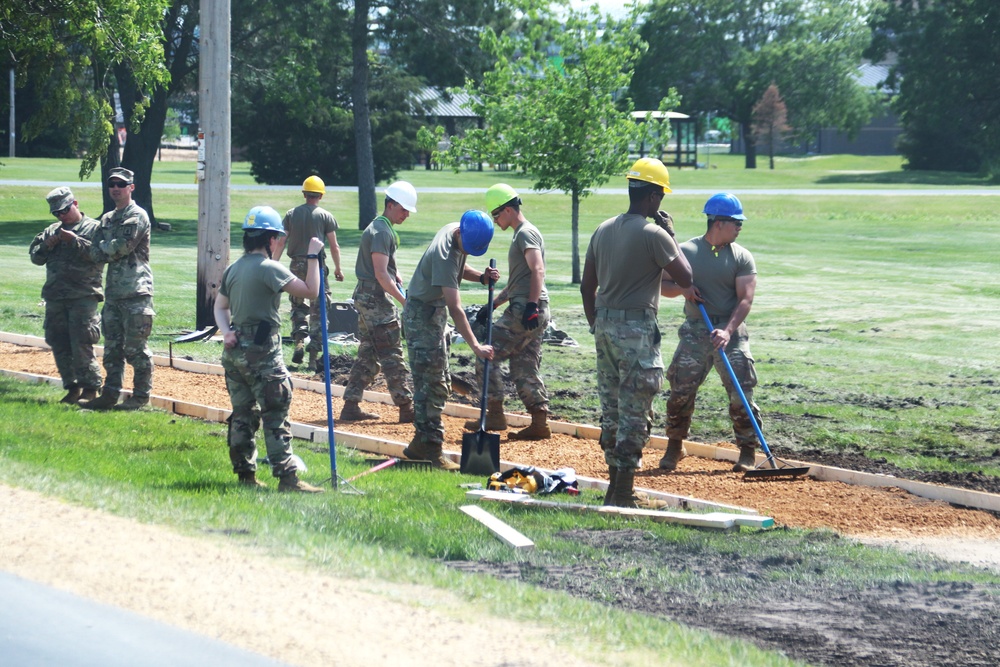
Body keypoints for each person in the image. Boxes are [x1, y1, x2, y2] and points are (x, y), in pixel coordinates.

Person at [580, 157, 693, 507]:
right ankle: (625, 494)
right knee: (635, 409)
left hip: (604, 325)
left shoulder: (603, 229)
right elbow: (687, 277)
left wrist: (595, 323)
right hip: (637, 331)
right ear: (654, 198)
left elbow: (587, 287)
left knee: (612, 409)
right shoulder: (654, 234)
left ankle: (615, 488)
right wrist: (671, 235)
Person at [213, 205, 326, 492]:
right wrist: (312, 256)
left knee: (242, 415)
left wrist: (226, 332)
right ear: (271, 239)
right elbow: (310, 291)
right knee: (275, 415)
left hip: (235, 350)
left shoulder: (234, 268)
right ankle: (288, 479)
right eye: (278, 237)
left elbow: (220, 306)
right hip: (263, 352)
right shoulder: (269, 269)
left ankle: (245, 475)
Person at [660, 193, 760, 473]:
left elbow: (745, 300)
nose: (740, 227)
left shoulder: (741, 256)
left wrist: (728, 331)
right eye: (736, 222)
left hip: (731, 333)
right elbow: (663, 285)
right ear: (718, 222)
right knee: (680, 391)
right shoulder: (686, 252)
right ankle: (675, 446)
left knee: (742, 395)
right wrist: (682, 289)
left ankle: (747, 452)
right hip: (695, 332)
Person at [400, 210, 498, 470]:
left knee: (435, 381)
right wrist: (475, 346)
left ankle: (420, 443)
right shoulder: (444, 255)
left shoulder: (457, 229)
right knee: (432, 384)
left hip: (432, 312)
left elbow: (459, 264)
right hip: (422, 316)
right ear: (460, 235)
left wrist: (481, 277)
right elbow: (456, 308)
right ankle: (431, 450)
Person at [463, 183, 551, 440]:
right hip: (532, 307)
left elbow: (537, 270)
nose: (495, 220)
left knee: (485, 353)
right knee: (524, 366)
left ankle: (496, 414)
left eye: (496, 214)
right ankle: (539, 422)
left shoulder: (525, 233)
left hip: (527, 309)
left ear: (509, 210)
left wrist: (531, 306)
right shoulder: (523, 233)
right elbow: (519, 281)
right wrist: (495, 304)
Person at [77, 167, 155, 411]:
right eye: (112, 184)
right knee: (112, 349)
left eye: (121, 184)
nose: (115, 189)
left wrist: (104, 246)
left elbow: (123, 246)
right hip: (113, 294)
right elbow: (94, 252)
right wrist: (105, 247)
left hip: (136, 293)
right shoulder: (108, 218)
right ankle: (110, 394)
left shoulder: (137, 216)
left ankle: (141, 397)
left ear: (131, 187)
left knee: (136, 349)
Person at [339, 181, 417, 423]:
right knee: (392, 352)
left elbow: (386, 269)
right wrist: (404, 300)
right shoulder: (382, 232)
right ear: (391, 205)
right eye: (403, 209)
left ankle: (351, 405)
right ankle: (406, 406)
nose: (406, 215)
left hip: (367, 297)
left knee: (369, 353)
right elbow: (381, 274)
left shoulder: (380, 227)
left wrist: (396, 275)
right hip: (376, 299)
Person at [29, 187, 105, 404]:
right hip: (55, 296)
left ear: (76, 204)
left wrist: (74, 241)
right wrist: (46, 246)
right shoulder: (51, 230)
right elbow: (36, 258)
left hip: (83, 295)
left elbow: (100, 255)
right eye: (57, 213)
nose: (62, 216)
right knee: (58, 340)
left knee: (81, 341)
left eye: (64, 210)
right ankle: (72, 386)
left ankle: (90, 388)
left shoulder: (94, 228)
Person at [274, 175, 343, 372]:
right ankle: (313, 358)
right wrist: (338, 268)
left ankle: (299, 340)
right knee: (319, 308)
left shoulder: (291, 214)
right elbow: (334, 246)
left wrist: (272, 265)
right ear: (321, 195)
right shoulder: (326, 216)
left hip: (296, 265)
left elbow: (281, 242)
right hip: (317, 266)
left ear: (304, 194)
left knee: (298, 306)